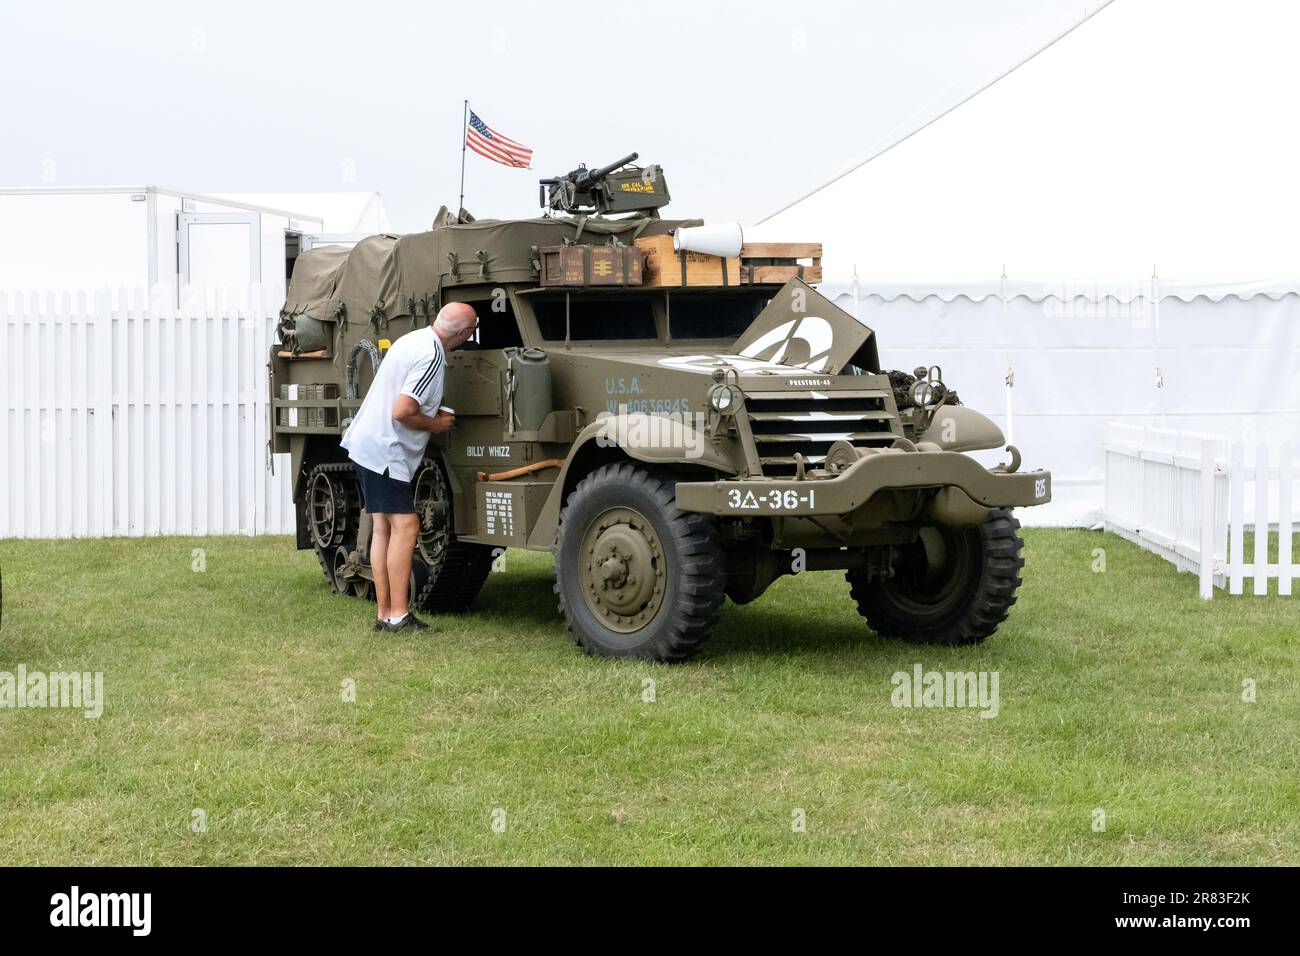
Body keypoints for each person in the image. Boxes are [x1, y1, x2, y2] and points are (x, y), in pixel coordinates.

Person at [340, 302, 478, 632]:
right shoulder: (431, 355)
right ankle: (399, 616)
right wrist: (437, 424)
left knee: (383, 528)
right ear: (462, 334)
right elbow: (402, 411)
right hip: (386, 451)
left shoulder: (413, 339)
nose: (471, 335)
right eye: (471, 329)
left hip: (366, 444)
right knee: (406, 527)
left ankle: (385, 615)